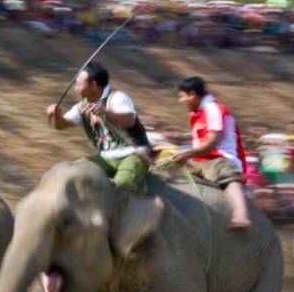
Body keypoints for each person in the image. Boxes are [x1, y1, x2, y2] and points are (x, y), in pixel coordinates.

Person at [161, 76, 252, 229]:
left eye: (182, 96)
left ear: (192, 94)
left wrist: (188, 154)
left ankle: (241, 214)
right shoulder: (195, 113)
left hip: (221, 157)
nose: (181, 101)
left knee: (225, 175)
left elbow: (212, 141)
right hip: (201, 159)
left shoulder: (213, 108)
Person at [46, 62, 151, 193]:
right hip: (106, 157)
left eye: (79, 84)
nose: (76, 88)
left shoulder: (117, 98)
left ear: (94, 85)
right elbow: (62, 125)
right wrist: (56, 115)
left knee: (121, 189)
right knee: (69, 174)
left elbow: (129, 121)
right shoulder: (82, 105)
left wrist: (105, 112)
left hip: (133, 154)